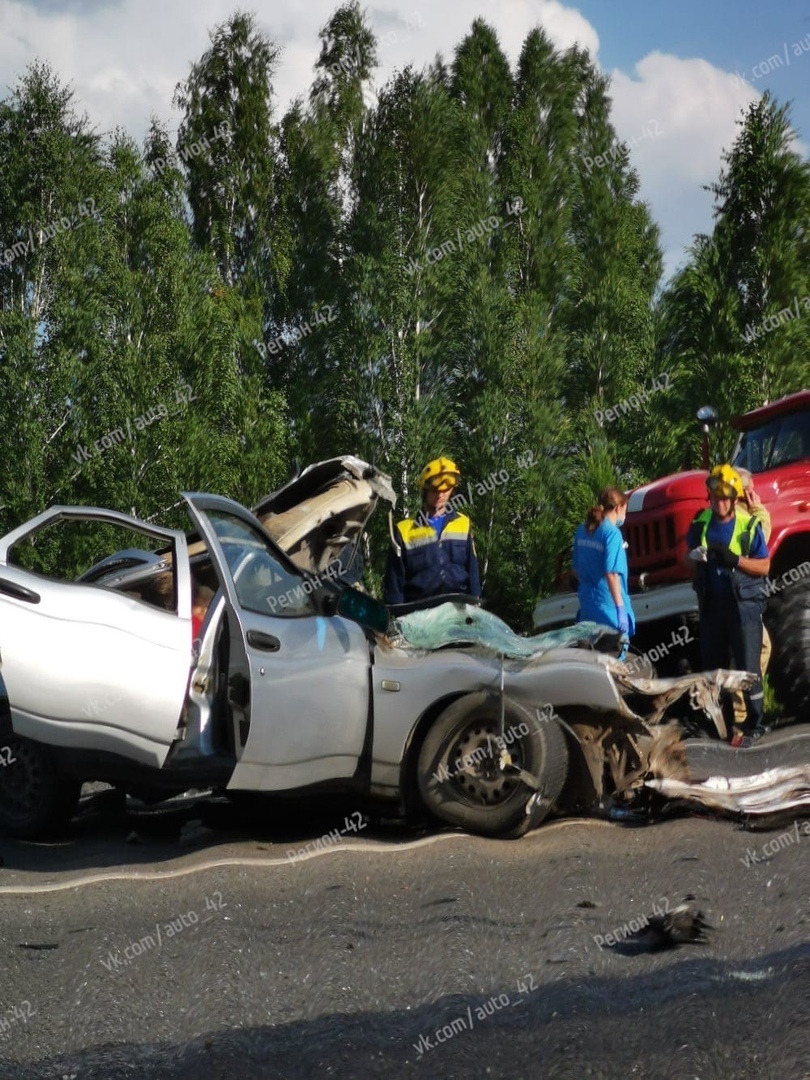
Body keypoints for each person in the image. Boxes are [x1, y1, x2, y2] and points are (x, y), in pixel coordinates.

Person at [685, 464, 771, 747]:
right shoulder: (701, 523)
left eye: (724, 497)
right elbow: (686, 561)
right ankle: (720, 724)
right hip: (712, 604)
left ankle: (756, 724)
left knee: (748, 667)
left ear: (734, 498)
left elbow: (764, 565)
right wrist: (695, 559)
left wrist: (736, 560)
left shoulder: (749, 524)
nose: (718, 502)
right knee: (713, 668)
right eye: (714, 496)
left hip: (743, 604)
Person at [384, 457, 481, 607]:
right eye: (435, 490)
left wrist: (475, 602)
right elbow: (394, 582)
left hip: (459, 609)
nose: (440, 495)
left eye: (445, 490)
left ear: (452, 490)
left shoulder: (463, 523)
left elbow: (472, 570)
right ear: (424, 490)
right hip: (419, 613)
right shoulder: (404, 530)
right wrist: (395, 615)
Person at [732, 468, 773, 729]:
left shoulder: (720, 517)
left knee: (742, 652)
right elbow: (762, 545)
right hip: (743, 596)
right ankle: (741, 715)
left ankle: (740, 713)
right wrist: (760, 511)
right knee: (756, 649)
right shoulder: (745, 518)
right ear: (745, 491)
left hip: (730, 595)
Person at [572, 486, 635, 649]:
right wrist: (621, 610)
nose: (624, 515)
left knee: (591, 664)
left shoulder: (582, 531)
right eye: (625, 510)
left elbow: (576, 570)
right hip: (610, 611)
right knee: (614, 663)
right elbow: (611, 574)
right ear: (618, 507)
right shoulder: (612, 534)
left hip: (587, 608)